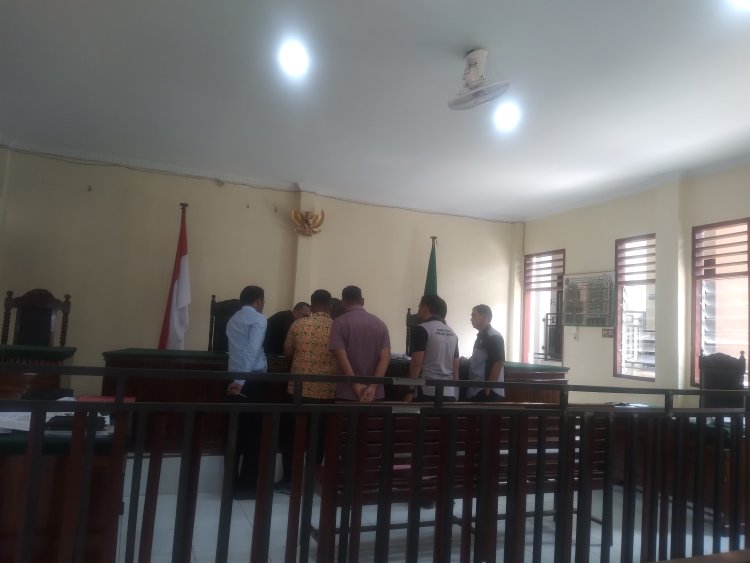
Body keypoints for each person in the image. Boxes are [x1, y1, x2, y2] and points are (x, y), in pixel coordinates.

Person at [276, 289, 338, 491]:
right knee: (318, 439)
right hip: (326, 392)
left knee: (292, 437)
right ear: (330, 306)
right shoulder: (338, 327)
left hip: (298, 390)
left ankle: (289, 480)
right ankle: (312, 481)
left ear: (311, 306)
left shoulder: (298, 324)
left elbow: (287, 351)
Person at [225, 285, 268, 499]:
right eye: (263, 301)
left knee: (235, 433)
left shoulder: (233, 319)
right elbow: (251, 351)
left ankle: (230, 484)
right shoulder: (259, 319)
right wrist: (242, 381)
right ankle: (247, 487)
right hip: (251, 380)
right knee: (253, 435)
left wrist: (236, 380)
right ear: (258, 300)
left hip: (233, 378)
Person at [329, 286, 390, 402]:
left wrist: (356, 385)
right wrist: (373, 387)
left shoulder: (339, 323)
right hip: (374, 394)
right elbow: (385, 358)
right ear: (362, 301)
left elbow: (341, 357)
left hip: (347, 392)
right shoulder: (380, 324)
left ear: (342, 302)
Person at [407, 294, 459, 402]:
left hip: (427, 390)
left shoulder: (422, 329)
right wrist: (455, 393)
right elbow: (455, 367)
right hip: (449, 392)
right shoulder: (453, 333)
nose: (418, 311)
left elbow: (417, 363)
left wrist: (410, 390)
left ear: (425, 309)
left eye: (419, 307)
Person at [467, 304, 505, 401]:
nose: (471, 319)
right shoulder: (481, 336)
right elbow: (481, 359)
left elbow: (498, 362)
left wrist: (487, 389)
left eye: (474, 315)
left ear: (484, 316)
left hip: (488, 392)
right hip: (477, 389)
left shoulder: (494, 336)